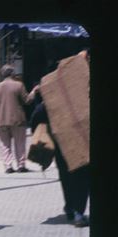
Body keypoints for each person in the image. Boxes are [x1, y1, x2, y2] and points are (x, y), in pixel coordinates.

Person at [29, 91, 90, 227]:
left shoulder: (51, 99)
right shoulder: (80, 91)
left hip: (61, 144)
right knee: (81, 178)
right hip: (81, 143)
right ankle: (78, 213)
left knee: (66, 177)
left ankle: (70, 208)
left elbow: (35, 117)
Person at [0, 64, 38, 173]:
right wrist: (34, 92)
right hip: (17, 119)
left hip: (1, 120)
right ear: (13, 74)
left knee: (4, 144)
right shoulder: (18, 85)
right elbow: (27, 100)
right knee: (19, 143)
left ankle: (8, 166)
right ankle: (21, 165)